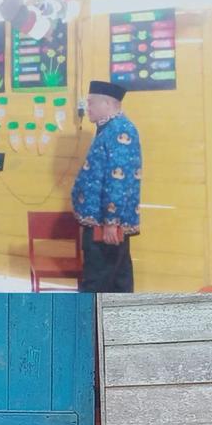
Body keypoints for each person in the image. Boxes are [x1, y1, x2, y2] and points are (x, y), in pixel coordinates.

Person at [72, 80, 142, 294]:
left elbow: (117, 180)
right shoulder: (110, 129)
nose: (87, 107)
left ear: (107, 104)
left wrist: (111, 222)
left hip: (105, 226)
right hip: (104, 224)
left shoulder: (119, 131)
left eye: (91, 103)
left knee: (97, 281)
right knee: (117, 280)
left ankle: (87, 326)